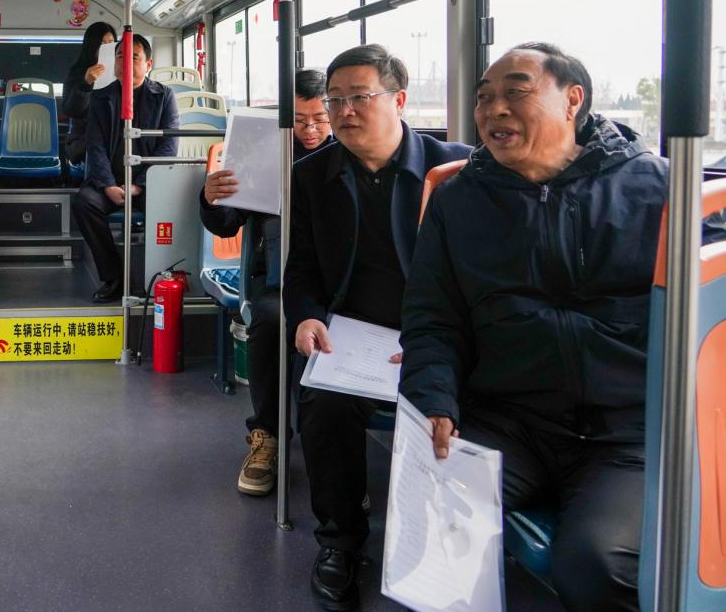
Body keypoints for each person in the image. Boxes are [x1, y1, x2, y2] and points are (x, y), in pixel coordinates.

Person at [398, 43, 724, 611]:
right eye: (484, 98)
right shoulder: (458, 202)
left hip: (629, 431)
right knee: (425, 509)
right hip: (511, 419)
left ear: (573, 100)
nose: (494, 109)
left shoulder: (662, 190)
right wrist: (433, 398)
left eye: (516, 92)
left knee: (594, 564)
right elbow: (433, 317)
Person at [282, 44, 472, 611]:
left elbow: (480, 275)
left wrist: (440, 342)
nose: (343, 111)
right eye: (334, 100)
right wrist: (307, 315)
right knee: (323, 402)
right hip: (353, 337)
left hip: (437, 337)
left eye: (359, 97)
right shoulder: (312, 176)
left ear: (399, 99)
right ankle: (340, 541)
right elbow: (303, 268)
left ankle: (449, 543)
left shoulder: (454, 170)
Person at [199, 69, 333, 496]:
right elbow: (226, 223)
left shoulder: (348, 157)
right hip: (280, 279)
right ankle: (268, 435)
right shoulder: (264, 156)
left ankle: (336, 451)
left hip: (337, 282)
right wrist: (211, 198)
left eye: (319, 119)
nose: (309, 130)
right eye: (299, 120)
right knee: (273, 320)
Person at [73, 35, 179, 303]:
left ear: (148, 64)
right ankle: (113, 277)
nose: (126, 62)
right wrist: (108, 184)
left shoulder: (164, 96)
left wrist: (138, 185)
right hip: (110, 180)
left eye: (134, 57)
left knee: (170, 205)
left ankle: (161, 275)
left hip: (149, 181)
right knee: (84, 203)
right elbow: (95, 145)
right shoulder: (101, 98)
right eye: (121, 56)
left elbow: (169, 147)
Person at [62, 21, 118, 165]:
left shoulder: (121, 73)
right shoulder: (77, 72)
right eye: (102, 43)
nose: (107, 47)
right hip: (85, 139)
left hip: (114, 138)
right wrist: (86, 84)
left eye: (111, 42)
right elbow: (71, 111)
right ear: (92, 45)